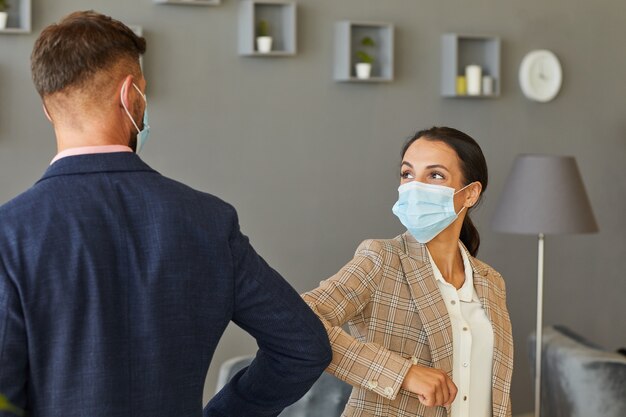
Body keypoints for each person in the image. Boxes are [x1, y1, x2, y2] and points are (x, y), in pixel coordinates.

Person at [0, 11, 331, 417]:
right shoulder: (208, 220)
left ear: (47, 109)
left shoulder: (11, 233)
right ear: (132, 94)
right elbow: (303, 347)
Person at [302, 127, 514, 417]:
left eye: (435, 175)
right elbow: (298, 322)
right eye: (407, 174)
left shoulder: (492, 283)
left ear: (470, 194)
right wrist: (404, 373)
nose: (416, 186)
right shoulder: (381, 259)